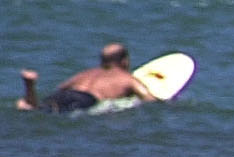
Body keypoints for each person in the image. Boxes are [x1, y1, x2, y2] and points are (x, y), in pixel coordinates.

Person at [16, 43, 155, 113]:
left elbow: (61, 87)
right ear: (124, 61)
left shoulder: (85, 74)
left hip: (65, 93)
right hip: (86, 99)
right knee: (56, 113)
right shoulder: (126, 78)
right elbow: (149, 99)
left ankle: (30, 91)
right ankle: (30, 92)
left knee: (44, 108)